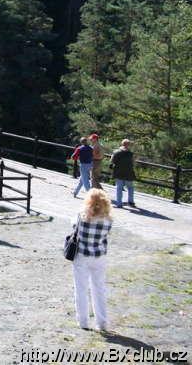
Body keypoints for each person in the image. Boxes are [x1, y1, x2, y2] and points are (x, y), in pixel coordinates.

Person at [71, 188, 112, 331]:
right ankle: (102, 323)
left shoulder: (81, 216)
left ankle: (83, 322)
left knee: (81, 289)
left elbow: (74, 229)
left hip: (82, 255)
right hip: (99, 256)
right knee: (99, 289)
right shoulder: (108, 220)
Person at [110, 139, 136, 208]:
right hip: (129, 172)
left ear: (122, 144)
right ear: (128, 145)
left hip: (119, 172)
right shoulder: (131, 154)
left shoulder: (116, 152)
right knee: (130, 187)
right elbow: (133, 163)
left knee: (119, 188)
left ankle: (119, 203)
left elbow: (112, 161)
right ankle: (131, 202)